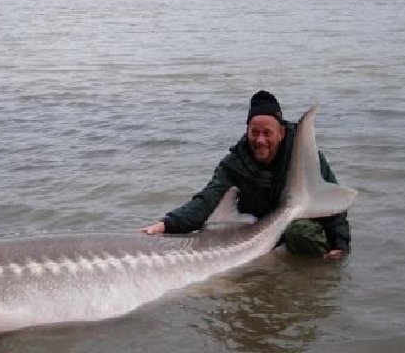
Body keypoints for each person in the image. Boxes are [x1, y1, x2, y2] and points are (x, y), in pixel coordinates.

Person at [139, 90, 351, 260]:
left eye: (267, 133)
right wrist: (166, 224)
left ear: (281, 133)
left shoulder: (302, 155)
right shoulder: (234, 163)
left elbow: (328, 199)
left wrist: (340, 244)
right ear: (247, 130)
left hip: (293, 224)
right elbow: (206, 201)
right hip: (256, 228)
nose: (260, 140)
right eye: (254, 132)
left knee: (301, 233)